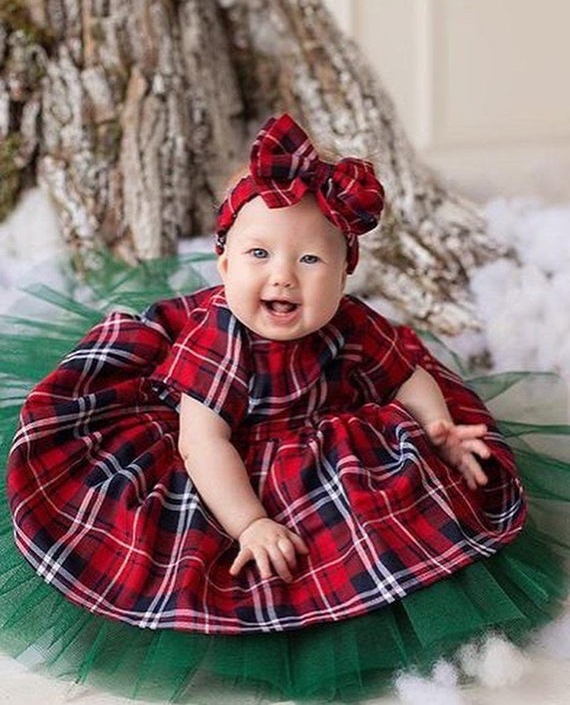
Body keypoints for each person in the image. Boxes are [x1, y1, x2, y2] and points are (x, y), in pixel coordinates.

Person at [1, 113, 568, 702]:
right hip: (219, 444)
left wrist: (438, 426)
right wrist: (250, 523)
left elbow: (406, 374)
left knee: (395, 496)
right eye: (259, 254)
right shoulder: (223, 341)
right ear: (224, 266)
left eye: (310, 260)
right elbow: (202, 443)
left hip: (312, 430)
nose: (283, 277)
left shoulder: (349, 325)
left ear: (345, 273)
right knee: (220, 548)